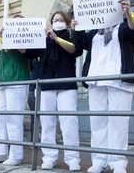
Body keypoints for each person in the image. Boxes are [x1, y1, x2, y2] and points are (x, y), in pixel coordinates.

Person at [72, 0, 134, 173]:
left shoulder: (126, 26)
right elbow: (82, 42)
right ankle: (99, 160)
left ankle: (118, 162)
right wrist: (76, 27)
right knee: (98, 123)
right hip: (96, 81)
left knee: (118, 123)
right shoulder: (94, 32)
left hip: (120, 81)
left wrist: (129, 12)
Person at [21, 11, 83, 171]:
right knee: (47, 123)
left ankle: (73, 158)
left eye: (61, 20)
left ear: (67, 24)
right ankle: (49, 157)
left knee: (69, 122)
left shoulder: (70, 36)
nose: (57, 22)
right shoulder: (42, 39)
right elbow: (27, 52)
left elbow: (75, 50)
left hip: (66, 84)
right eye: (55, 20)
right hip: (46, 84)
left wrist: (55, 37)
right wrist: (13, 39)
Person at [0, 16, 30, 166]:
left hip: (17, 81)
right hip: (4, 83)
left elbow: (13, 49)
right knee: (2, 119)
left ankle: (16, 156)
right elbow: (0, 54)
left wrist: (0, 36)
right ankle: (1, 152)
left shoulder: (24, 38)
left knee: (14, 119)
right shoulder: (6, 40)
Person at [28, 57, 41, 141]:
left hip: (45, 89)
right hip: (32, 89)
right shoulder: (31, 59)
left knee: (46, 118)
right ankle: (34, 140)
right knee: (34, 117)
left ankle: (44, 141)